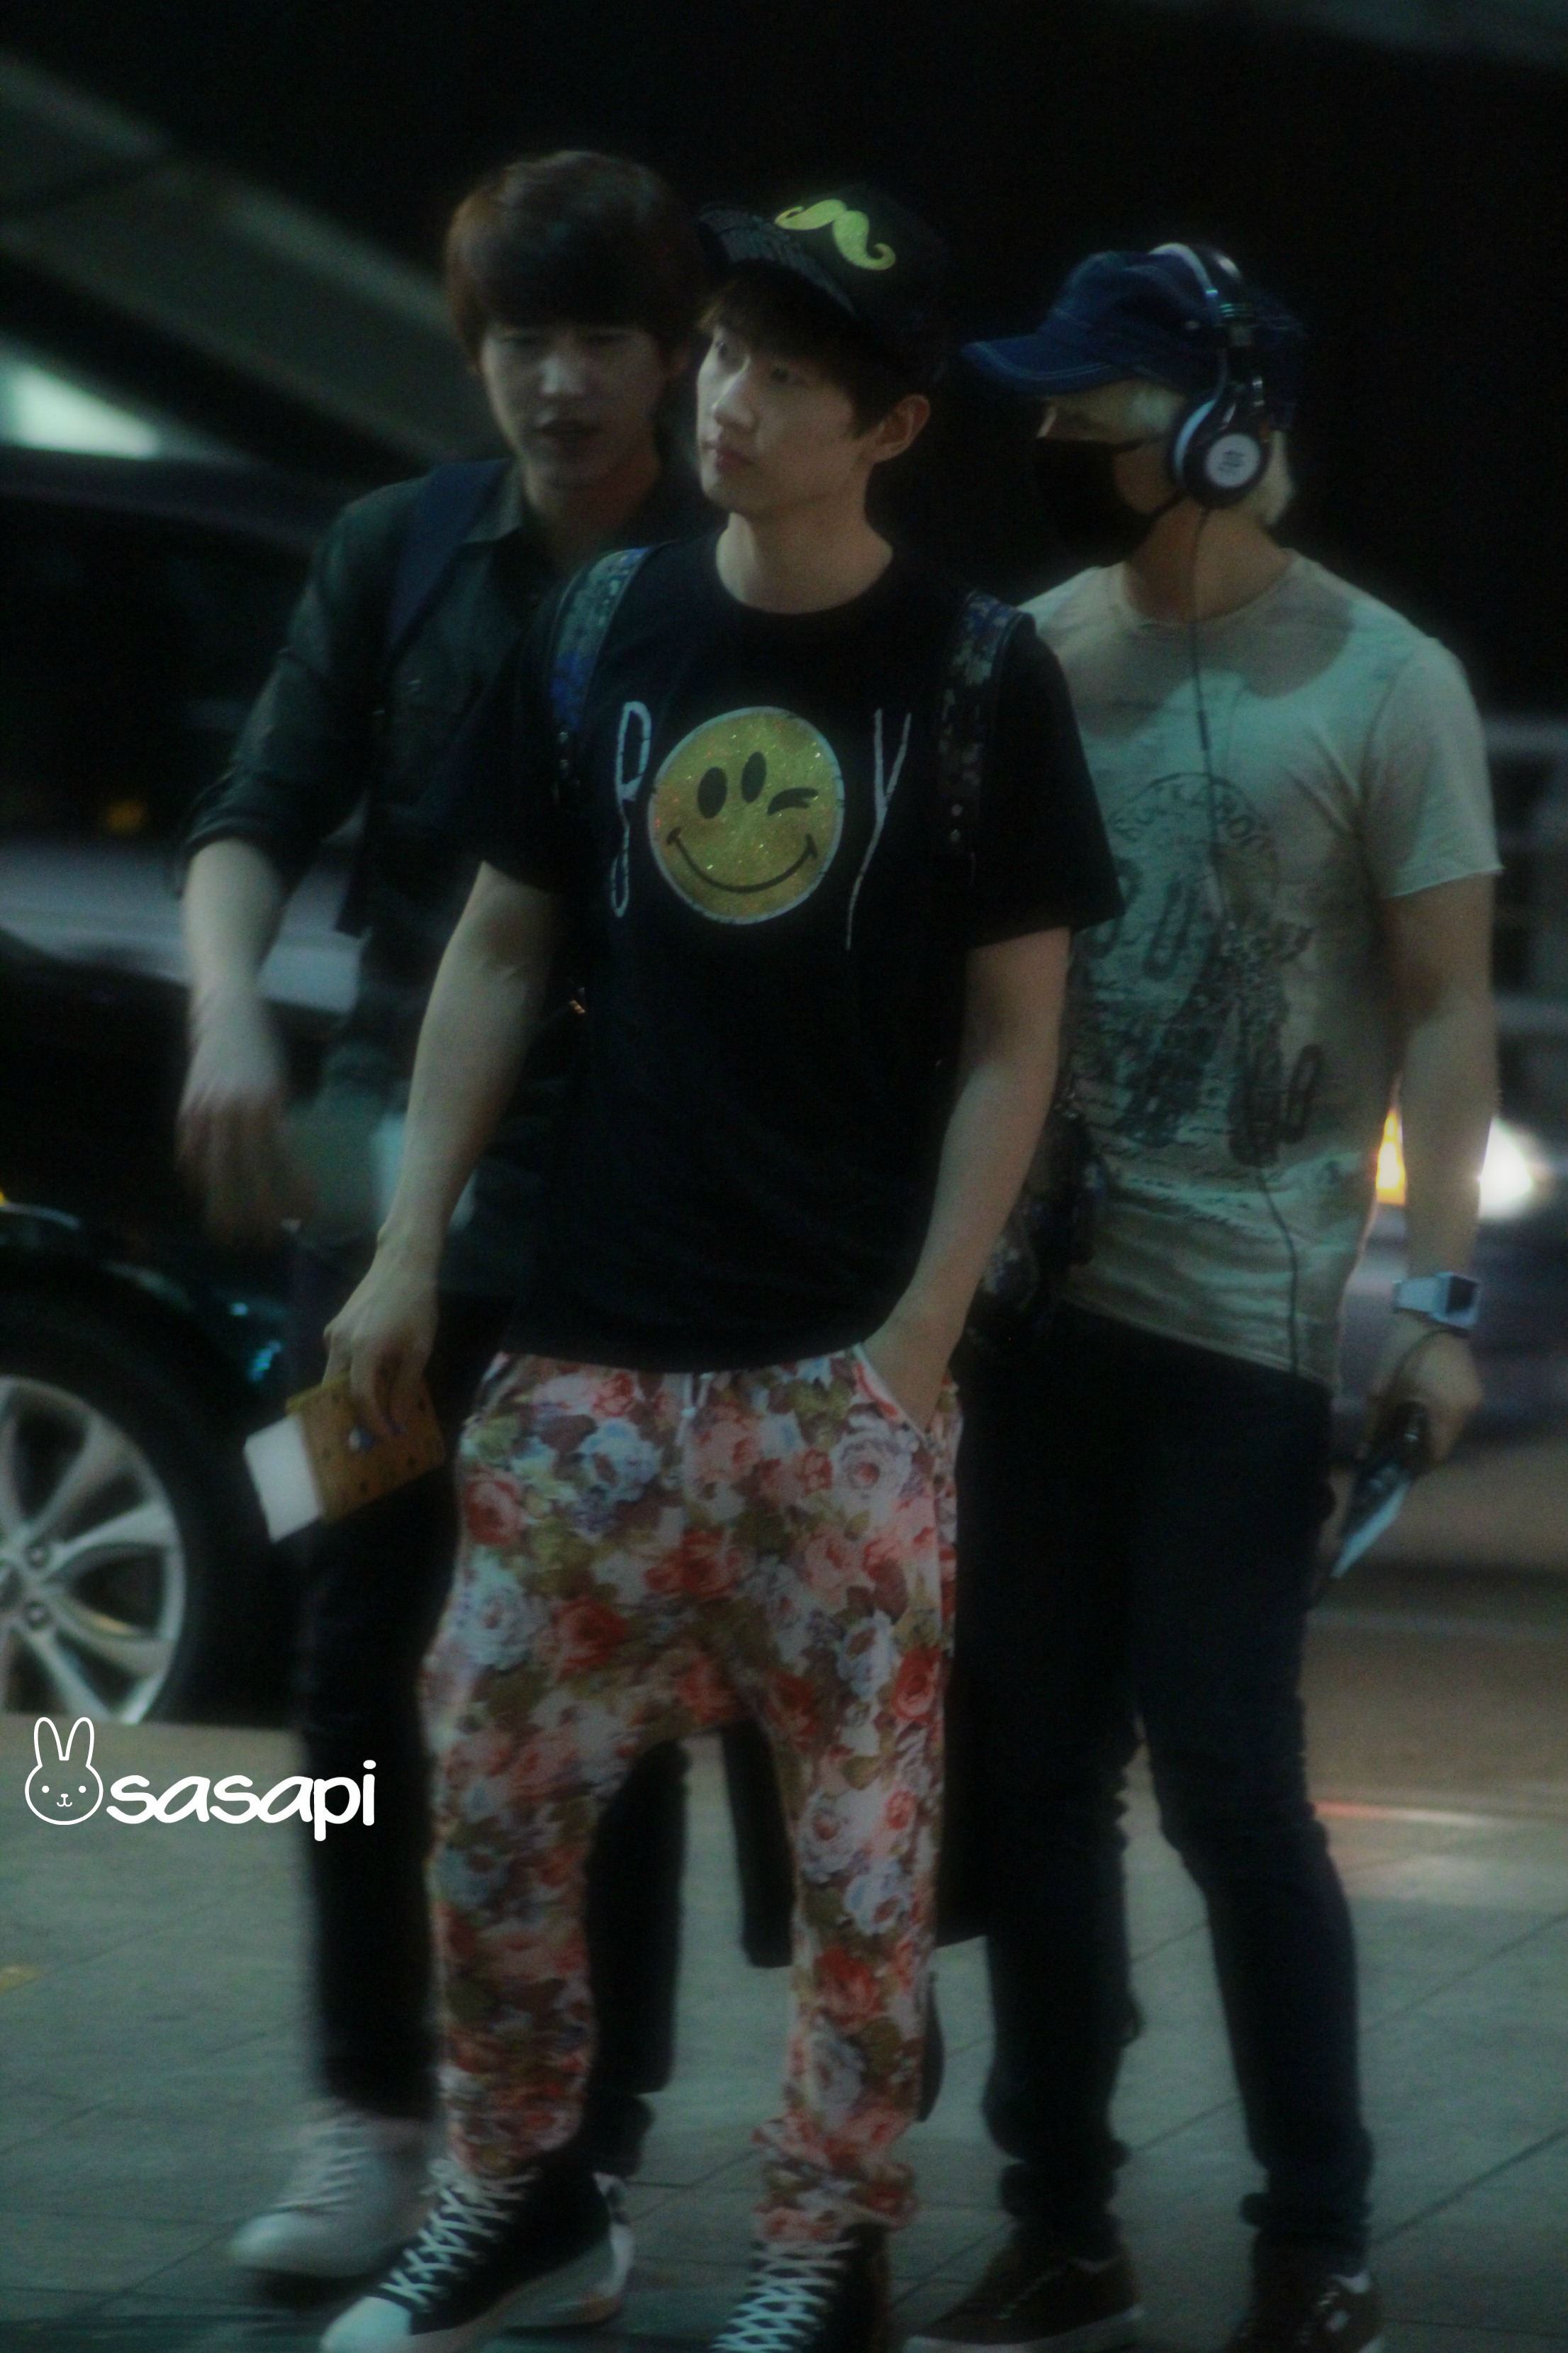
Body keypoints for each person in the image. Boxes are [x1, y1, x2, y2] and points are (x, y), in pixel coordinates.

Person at [317, 184, 1120, 2353]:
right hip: (590, 1345)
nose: (732, 403)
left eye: (791, 375)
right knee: (492, 1791)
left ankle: (822, 2250)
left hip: (833, 1369)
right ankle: (517, 2194)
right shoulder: (607, 627)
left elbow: (1015, 1037)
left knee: (858, 1863)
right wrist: (408, 1248)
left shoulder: (975, 674)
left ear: (893, 426)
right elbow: (502, 946)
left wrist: (917, 1337)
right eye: (732, 357)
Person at [910, 246, 1500, 2353]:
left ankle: (1313, 2240)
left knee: (1234, 1789)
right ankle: (1059, 2223)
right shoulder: (1027, 657)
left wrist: (1435, 1296)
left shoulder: (1384, 681)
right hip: (1033, 1323)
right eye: (1051, 406)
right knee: (1030, 1781)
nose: (1058, 437)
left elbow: (1447, 1011)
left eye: (1100, 407)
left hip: (1242, 1332)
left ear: (1230, 431)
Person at [177, 150, 717, 2292]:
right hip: (377, 1212)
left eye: (598, 340)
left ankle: (580, 2147)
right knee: (347, 1645)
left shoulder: (732, 578)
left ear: (673, 359)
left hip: (635, 1229)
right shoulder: (395, 550)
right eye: (521, 341)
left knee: (611, 1678)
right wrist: (228, 1011)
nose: (556, 382)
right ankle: (366, 2115)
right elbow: (254, 815)